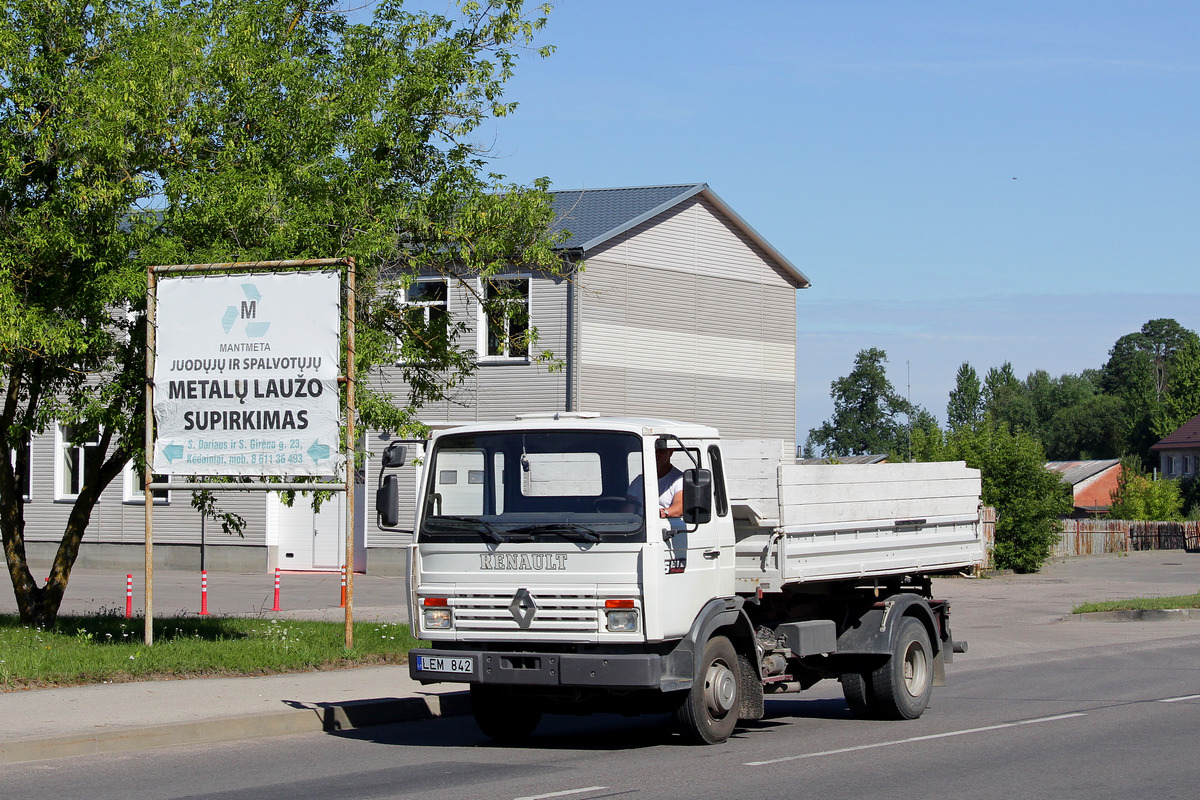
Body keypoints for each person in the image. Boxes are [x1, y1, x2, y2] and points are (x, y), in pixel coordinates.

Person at [627, 447, 684, 518]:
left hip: (664, 525)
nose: (657, 453)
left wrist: (664, 513)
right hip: (639, 525)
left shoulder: (679, 479)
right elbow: (628, 509)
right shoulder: (638, 481)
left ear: (671, 452)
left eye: (661, 450)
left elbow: (680, 506)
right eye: (653, 450)